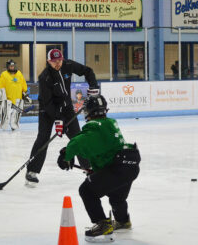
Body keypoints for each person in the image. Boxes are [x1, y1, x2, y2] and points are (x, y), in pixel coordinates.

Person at [57, 95, 141, 243]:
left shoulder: (94, 126)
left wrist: (65, 155)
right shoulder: (110, 123)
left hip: (118, 167)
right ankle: (122, 221)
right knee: (116, 196)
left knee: (86, 190)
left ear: (88, 111)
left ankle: (102, 224)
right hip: (130, 165)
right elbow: (106, 150)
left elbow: (77, 141)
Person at [25, 49, 99, 186]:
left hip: (66, 107)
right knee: (43, 138)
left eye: (59, 60)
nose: (57, 63)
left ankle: (89, 168)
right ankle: (31, 171)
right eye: (54, 61)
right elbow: (48, 103)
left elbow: (88, 71)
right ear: (48, 61)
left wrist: (94, 86)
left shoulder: (68, 65)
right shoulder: (45, 77)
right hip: (47, 110)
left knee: (78, 137)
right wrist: (59, 120)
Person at [0, 59, 31, 131]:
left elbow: (23, 85)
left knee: (16, 115)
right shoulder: (4, 74)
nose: (12, 67)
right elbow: (0, 87)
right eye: (10, 66)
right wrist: (2, 97)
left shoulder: (19, 74)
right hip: (8, 100)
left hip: (18, 100)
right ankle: (4, 128)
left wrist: (25, 94)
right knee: (5, 116)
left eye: (13, 66)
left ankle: (14, 127)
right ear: (7, 66)